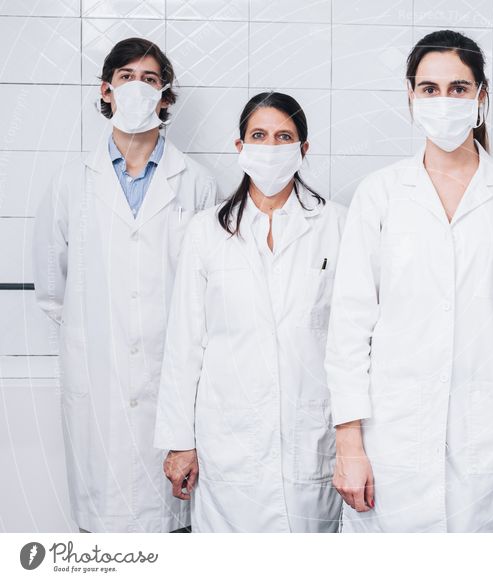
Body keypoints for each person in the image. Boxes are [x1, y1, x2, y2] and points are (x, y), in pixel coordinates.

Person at [325, 29, 493, 533]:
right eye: (429, 88)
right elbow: (349, 328)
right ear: (410, 97)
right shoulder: (380, 194)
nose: (443, 100)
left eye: (458, 88)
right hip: (391, 443)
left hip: (491, 446)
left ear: (481, 96)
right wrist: (348, 444)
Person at [32, 37, 218, 533]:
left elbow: (209, 292)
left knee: (173, 529)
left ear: (165, 97)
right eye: (127, 77)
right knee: (102, 531)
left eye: (151, 79)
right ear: (106, 90)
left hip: (173, 387)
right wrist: (101, 326)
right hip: (100, 383)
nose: (138, 87)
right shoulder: (70, 183)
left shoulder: (197, 184)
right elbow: (53, 290)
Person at [153, 92, 345, 532]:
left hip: (311, 437)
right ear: (239, 148)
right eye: (258, 136)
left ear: (304, 149)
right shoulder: (206, 232)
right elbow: (185, 345)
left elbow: (354, 343)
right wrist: (180, 443)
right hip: (229, 443)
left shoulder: (338, 227)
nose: (271, 147)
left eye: (284, 137)